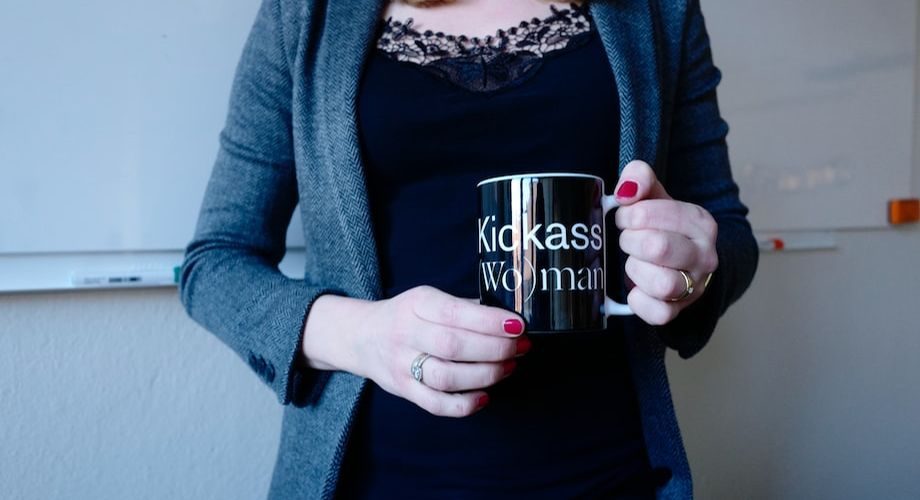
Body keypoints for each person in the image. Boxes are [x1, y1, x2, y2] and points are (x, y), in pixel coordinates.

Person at [178, 0, 759, 498]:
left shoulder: (658, 10)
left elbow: (727, 232)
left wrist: (690, 272)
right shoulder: (308, 13)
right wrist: (362, 336)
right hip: (374, 476)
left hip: (608, 471)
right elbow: (215, 262)